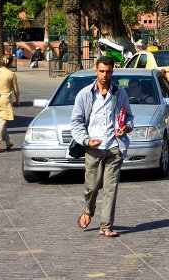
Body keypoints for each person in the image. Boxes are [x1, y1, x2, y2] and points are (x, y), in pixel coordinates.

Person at [70, 57, 134, 237]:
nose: (105, 75)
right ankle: (88, 210)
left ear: (112, 72)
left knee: (110, 188)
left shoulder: (119, 93)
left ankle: (106, 226)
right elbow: (76, 122)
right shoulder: (85, 94)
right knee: (91, 187)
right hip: (93, 149)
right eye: (102, 71)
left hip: (114, 147)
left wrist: (126, 128)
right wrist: (86, 140)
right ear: (96, 71)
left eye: (108, 71)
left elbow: (128, 116)